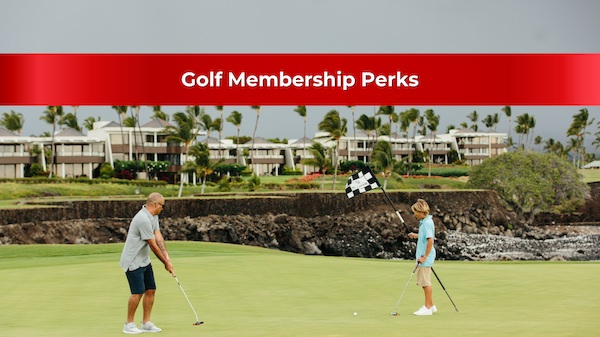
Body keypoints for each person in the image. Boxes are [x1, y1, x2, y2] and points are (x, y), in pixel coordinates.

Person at [120, 192, 174, 334]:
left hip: (144, 260)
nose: (163, 208)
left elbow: (158, 236)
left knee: (150, 290)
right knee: (137, 292)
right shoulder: (143, 219)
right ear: (156, 204)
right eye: (162, 206)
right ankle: (129, 324)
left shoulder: (153, 216)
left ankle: (146, 323)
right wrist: (165, 263)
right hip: (132, 260)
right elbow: (152, 245)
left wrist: (167, 256)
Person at [407, 199, 437, 316]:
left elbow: (430, 240)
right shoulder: (425, 222)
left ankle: (427, 308)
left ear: (421, 212)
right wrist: (417, 235)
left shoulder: (427, 223)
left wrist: (424, 257)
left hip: (425, 257)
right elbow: (425, 236)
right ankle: (432, 305)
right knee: (425, 281)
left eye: (416, 212)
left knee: (425, 283)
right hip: (423, 256)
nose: (414, 214)